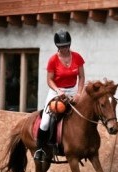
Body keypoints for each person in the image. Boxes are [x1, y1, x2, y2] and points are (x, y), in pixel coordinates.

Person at [34, 29, 85, 161]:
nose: (65, 48)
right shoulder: (52, 60)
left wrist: (79, 93)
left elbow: (82, 77)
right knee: (45, 122)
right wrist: (58, 90)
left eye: (67, 45)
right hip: (56, 90)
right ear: (57, 46)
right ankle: (40, 149)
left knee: (82, 114)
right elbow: (49, 80)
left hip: (73, 90)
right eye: (62, 47)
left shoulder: (77, 57)